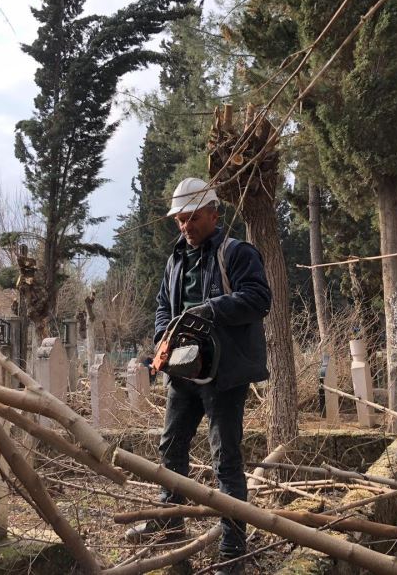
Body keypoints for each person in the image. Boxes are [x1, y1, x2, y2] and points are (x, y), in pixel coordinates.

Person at [125, 177, 271, 575]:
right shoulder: (175, 259)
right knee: (170, 448)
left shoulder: (236, 253)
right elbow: (161, 304)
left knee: (226, 458)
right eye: (180, 220)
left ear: (213, 214)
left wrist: (212, 308)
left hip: (223, 375)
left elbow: (260, 299)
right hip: (182, 372)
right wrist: (161, 337)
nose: (186, 226)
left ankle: (232, 549)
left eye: (192, 218)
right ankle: (170, 528)